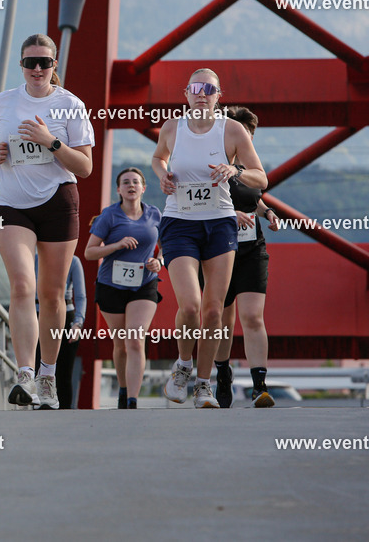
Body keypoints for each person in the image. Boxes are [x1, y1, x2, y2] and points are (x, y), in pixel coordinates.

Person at [0, 33, 94, 410]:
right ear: (21, 65)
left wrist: (51, 142)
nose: (37, 69)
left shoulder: (70, 105)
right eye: (30, 62)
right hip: (11, 204)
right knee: (21, 286)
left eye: (44, 62)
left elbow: (86, 166)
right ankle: (25, 374)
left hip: (58, 202)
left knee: (51, 294)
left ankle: (49, 375)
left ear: (54, 65)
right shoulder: (4, 102)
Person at [152, 69, 267, 408]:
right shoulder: (172, 127)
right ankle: (183, 365)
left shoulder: (231, 130)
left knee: (214, 313)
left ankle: (204, 384)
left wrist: (237, 170)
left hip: (219, 223)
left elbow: (261, 178)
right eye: (196, 88)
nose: (202, 94)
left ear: (219, 96)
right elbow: (159, 157)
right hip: (180, 222)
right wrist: (162, 174)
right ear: (186, 93)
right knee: (190, 305)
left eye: (210, 89)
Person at [210, 106, 280, 408]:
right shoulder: (214, 163)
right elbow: (195, 202)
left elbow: (254, 195)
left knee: (252, 316)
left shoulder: (250, 171)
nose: (246, 142)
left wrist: (267, 212)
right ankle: (223, 374)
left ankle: (259, 386)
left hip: (252, 249)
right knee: (224, 320)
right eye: (242, 136)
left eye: (250, 137)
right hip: (218, 248)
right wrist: (230, 214)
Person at [84, 167, 163, 409]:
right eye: (126, 182)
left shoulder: (154, 214)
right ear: (118, 189)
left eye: (135, 182)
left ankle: (132, 400)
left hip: (144, 284)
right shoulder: (109, 216)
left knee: (135, 339)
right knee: (121, 344)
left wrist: (158, 262)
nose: (131, 185)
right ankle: (123, 388)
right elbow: (89, 252)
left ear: (143, 188)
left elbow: (169, 244)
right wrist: (116, 245)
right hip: (111, 285)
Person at [33, 253, 87, 409]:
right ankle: (39, 408)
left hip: (65, 315)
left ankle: (65, 412)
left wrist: (78, 323)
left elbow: (81, 296)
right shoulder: (33, 259)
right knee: (38, 367)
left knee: (64, 373)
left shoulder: (73, 261)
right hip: (37, 314)